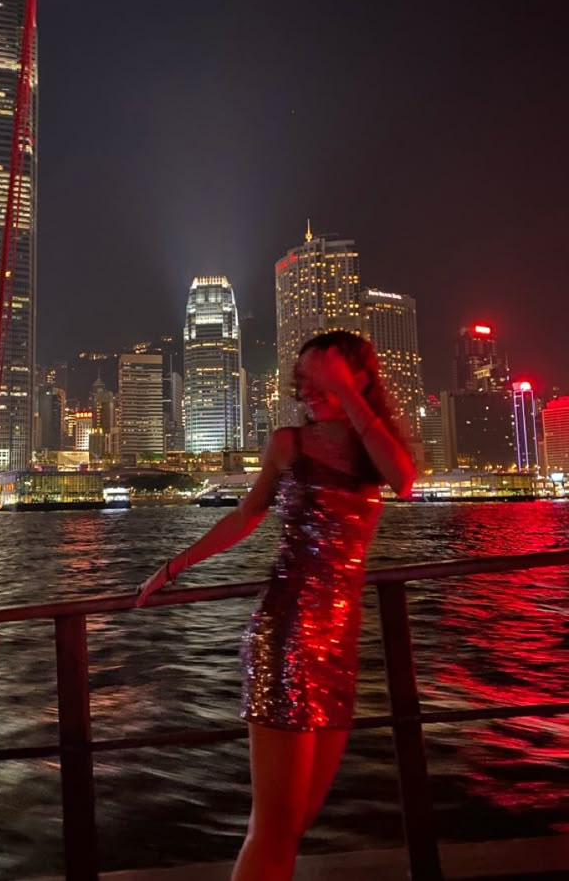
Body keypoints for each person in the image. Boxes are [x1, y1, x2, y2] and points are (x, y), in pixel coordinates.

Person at [136, 331, 415, 881]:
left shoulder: (372, 450)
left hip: (340, 643)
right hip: (286, 636)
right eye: (303, 380)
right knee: (273, 828)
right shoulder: (290, 444)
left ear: (356, 378)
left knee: (299, 820)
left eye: (320, 378)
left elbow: (404, 480)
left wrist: (347, 393)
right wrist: (173, 567)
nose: (306, 389)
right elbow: (246, 516)